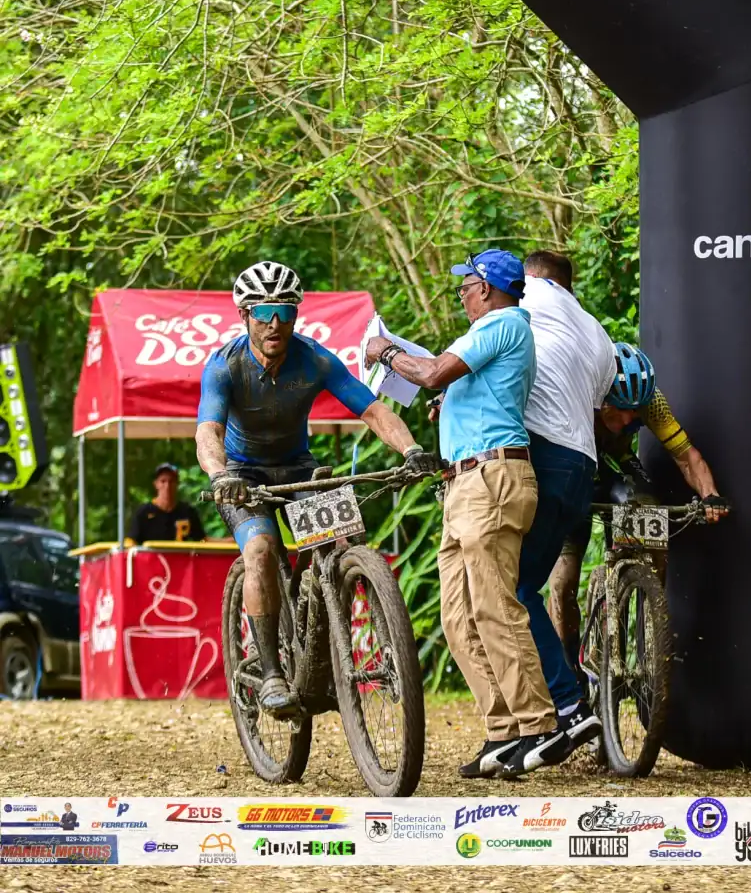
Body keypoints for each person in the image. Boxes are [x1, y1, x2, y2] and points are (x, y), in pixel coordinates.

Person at [195, 261, 438, 717]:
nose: (275, 323)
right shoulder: (224, 366)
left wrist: (411, 450)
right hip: (243, 476)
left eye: (286, 312)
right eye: (263, 312)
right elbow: (208, 430)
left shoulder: (315, 359)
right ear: (244, 315)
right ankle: (271, 672)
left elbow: (373, 411)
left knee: (342, 541)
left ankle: (328, 651)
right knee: (261, 550)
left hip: (299, 469)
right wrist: (220, 475)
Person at [366, 248, 573, 779]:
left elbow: (432, 372)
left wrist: (386, 352)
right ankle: (503, 730)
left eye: (465, 285)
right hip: (465, 482)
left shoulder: (503, 323)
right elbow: (457, 386)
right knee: (458, 617)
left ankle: (540, 723)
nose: (460, 294)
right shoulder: (494, 333)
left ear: (486, 288)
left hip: (491, 480)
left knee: (496, 607)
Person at [535, 256, 729, 674]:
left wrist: (711, 496)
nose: (627, 421)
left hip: (616, 468)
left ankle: (641, 607)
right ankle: (571, 669)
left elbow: (687, 457)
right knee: (562, 581)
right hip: (574, 467)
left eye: (634, 414)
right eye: (617, 412)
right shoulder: (579, 388)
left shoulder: (648, 401)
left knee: (644, 506)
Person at [515, 249, 616, 750]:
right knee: (533, 586)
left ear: (531, 276)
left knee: (514, 590)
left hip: (542, 455)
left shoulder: (524, 297)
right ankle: (561, 698)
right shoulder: (597, 332)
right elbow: (597, 412)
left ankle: (567, 703)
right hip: (583, 467)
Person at [127, 463, 206, 546]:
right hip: (152, 554)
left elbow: (202, 540)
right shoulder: (144, 512)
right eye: (163, 481)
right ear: (156, 484)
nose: (167, 486)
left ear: (177, 484)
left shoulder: (188, 512)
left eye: (171, 481)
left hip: (178, 554)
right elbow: (131, 541)